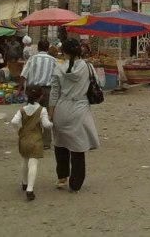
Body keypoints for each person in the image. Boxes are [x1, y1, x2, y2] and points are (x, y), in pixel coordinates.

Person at [49, 38, 100, 192]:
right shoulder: (88, 67)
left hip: (62, 108)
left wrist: (50, 114)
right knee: (78, 147)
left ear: (63, 51)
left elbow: (54, 93)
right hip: (80, 108)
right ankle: (76, 183)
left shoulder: (58, 69)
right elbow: (98, 83)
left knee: (61, 144)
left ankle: (62, 178)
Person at [11, 86, 53, 201]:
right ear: (40, 97)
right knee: (33, 163)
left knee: (24, 160)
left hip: (23, 139)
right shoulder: (42, 110)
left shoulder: (22, 109)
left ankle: (24, 183)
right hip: (36, 140)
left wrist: (18, 131)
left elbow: (14, 121)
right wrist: (51, 123)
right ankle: (30, 189)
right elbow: (46, 125)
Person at [20, 39, 57, 149]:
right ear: (47, 48)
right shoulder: (54, 60)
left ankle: (32, 139)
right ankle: (46, 142)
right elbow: (58, 76)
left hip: (33, 90)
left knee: (32, 114)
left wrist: (19, 89)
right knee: (47, 115)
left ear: (38, 48)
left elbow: (23, 75)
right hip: (47, 90)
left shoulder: (32, 59)